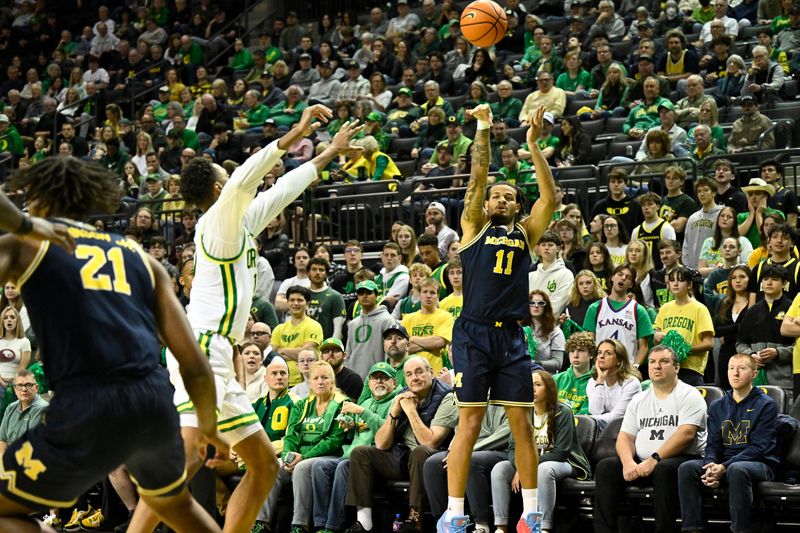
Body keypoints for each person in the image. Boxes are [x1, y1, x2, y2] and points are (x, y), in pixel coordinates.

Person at [131, 106, 364, 533]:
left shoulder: (239, 224)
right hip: (201, 350)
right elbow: (246, 180)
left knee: (263, 464)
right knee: (181, 463)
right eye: (229, 176)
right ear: (220, 187)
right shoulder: (217, 221)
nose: (237, 180)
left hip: (218, 353)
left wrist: (329, 150)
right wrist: (293, 134)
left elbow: (283, 191)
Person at [0, 157, 227, 533]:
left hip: (87, 405)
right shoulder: (141, 257)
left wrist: (22, 227)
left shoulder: (27, 243)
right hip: (153, 403)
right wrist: (207, 426)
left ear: (38, 198)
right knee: (176, 504)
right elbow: (193, 362)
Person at [439, 103, 556, 533]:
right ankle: (453, 514)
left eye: (510, 195)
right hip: (472, 334)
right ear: (487, 203)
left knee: (522, 424)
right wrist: (483, 128)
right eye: (497, 194)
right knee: (468, 423)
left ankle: (532, 513)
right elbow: (477, 175)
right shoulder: (473, 225)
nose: (502, 197)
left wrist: (532, 145)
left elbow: (550, 198)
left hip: (511, 338)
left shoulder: (526, 232)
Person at [593, 345, 707, 533]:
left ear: (676, 367)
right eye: (652, 362)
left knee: (664, 469)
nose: (656, 366)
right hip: (642, 463)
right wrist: (628, 462)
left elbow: (687, 434)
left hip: (680, 459)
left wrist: (654, 459)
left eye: (664, 362)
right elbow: (625, 436)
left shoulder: (689, 395)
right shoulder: (639, 399)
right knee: (606, 467)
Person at [344, 356, 457, 532]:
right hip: (402, 456)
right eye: (409, 374)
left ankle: (415, 518)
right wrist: (395, 411)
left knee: (420, 451)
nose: (415, 378)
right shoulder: (402, 395)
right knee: (361, 453)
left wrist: (411, 410)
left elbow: (431, 442)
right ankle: (364, 523)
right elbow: (381, 444)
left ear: (431, 373)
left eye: (419, 372)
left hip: (433, 459)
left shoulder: (447, 396)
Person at [677, 353, 779, 533]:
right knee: (687, 468)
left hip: (760, 463)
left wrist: (723, 467)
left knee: (737, 469)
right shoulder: (717, 405)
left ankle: (741, 529)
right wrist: (710, 465)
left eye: (742, 368)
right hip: (725, 463)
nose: (735, 373)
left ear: (754, 373)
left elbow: (759, 447)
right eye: (731, 368)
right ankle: (693, 528)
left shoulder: (767, 404)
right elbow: (713, 444)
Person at [491, 369, 591, 533]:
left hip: (566, 462)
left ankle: (544, 526)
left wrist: (525, 468)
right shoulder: (524, 412)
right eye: (530, 385)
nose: (533, 389)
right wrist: (520, 467)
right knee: (500, 468)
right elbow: (512, 447)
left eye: (538, 385)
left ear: (549, 388)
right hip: (531, 463)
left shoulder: (563, 412)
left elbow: (561, 452)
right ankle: (501, 526)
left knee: (543, 469)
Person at [311, 362, 398, 532]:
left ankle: (333, 526)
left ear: (393, 382)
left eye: (383, 378)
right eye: (374, 378)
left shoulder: (395, 401)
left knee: (343, 466)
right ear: (369, 383)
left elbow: (387, 430)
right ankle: (320, 524)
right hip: (351, 454)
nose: (379, 382)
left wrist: (362, 412)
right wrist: (349, 426)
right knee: (319, 467)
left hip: (375, 459)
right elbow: (356, 434)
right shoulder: (366, 402)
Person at [265, 361, 347, 533]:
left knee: (302, 467)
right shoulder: (302, 405)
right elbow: (291, 434)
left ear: (332, 381)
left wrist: (305, 456)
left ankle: (299, 525)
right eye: (315, 378)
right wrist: (288, 456)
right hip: (299, 456)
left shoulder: (341, 404)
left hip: (329, 456)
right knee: (271, 467)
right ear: (310, 382)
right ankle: (261, 522)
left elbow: (334, 440)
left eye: (325, 378)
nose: (320, 382)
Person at [424, 404, 510, 533]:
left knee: (470, 461)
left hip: (501, 450)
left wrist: (464, 453)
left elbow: (506, 433)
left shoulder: (510, 397)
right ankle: (445, 523)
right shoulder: (477, 397)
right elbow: (462, 427)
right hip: (468, 450)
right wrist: (453, 450)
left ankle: (481, 525)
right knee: (433, 463)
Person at [736, 264, 794, 394]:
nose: (769, 282)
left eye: (774, 279)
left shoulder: (792, 308)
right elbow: (740, 343)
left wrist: (778, 353)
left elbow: (798, 346)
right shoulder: (752, 311)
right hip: (754, 381)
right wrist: (751, 355)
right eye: (765, 279)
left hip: (785, 382)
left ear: (784, 283)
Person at [654, 267, 715, 386]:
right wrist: (656, 336)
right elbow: (656, 342)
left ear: (689, 284)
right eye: (672, 280)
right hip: (666, 367)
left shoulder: (700, 309)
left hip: (691, 370)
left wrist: (684, 349)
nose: (675, 283)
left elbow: (708, 343)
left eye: (680, 280)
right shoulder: (664, 308)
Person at [272, 286, 324, 386]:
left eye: (300, 300)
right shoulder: (279, 329)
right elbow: (273, 356)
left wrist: (282, 350)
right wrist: (296, 352)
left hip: (307, 381)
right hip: (282, 382)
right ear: (287, 302)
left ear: (307, 304)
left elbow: (306, 354)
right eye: (292, 300)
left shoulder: (314, 326)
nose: (295, 303)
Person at [587, 339, 642, 431]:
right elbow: (595, 411)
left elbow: (616, 417)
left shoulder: (631, 383)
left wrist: (588, 419)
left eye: (608, 353)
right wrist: (600, 381)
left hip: (626, 430)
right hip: (601, 430)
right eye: (599, 352)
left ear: (619, 360)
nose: (601, 356)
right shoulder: (593, 382)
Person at [346, 280, 397, 379]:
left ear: (376, 296)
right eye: (361, 293)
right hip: (355, 378)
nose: (365, 296)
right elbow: (348, 353)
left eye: (369, 293)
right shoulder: (353, 324)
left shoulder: (387, 320)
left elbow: (391, 353)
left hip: (378, 377)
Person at [711, 266, 752, 389]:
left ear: (750, 280)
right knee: (725, 390)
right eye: (734, 278)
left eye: (742, 277)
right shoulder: (724, 303)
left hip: (746, 353)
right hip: (725, 355)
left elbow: (750, 331)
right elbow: (716, 330)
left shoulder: (754, 303)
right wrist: (739, 327)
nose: (738, 280)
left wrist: (727, 337)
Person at [402, 278, 454, 373]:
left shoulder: (446, 317)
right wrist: (430, 344)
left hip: (437, 373)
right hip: (411, 373)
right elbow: (405, 347)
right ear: (419, 294)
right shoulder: (408, 319)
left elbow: (439, 342)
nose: (428, 296)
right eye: (425, 292)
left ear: (438, 296)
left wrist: (413, 339)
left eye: (432, 293)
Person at [0, 370, 47, 453]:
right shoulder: (10, 408)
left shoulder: (43, 409)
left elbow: (32, 445)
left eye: (28, 385)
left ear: (36, 388)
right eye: (20, 385)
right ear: (15, 389)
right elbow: (3, 440)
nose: (24, 389)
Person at [529, 232, 574, 316]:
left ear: (558, 248)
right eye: (543, 245)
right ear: (539, 249)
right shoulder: (531, 276)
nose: (546, 248)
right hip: (528, 326)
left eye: (550, 245)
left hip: (552, 325)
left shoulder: (566, 275)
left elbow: (558, 305)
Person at [683, 177, 722, 270]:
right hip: (692, 268)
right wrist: (686, 265)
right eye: (699, 191)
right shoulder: (693, 218)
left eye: (705, 190)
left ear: (714, 193)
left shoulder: (722, 214)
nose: (702, 194)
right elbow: (686, 244)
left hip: (713, 269)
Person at [553, 332, 596, 414]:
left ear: (591, 355)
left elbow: (586, 416)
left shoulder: (596, 382)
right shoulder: (556, 379)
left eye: (581, 350)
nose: (575, 355)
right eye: (572, 351)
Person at [523, 291, 566, 374]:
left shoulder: (556, 332)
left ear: (546, 306)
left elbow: (558, 363)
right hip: (523, 377)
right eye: (532, 302)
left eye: (540, 303)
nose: (536, 306)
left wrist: (534, 363)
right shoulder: (519, 329)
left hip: (546, 379)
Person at [306, 257, 346, 340]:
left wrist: (331, 346)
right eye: (314, 269)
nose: (317, 273)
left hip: (325, 347)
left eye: (321, 270)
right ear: (308, 273)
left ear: (326, 274)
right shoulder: (302, 294)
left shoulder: (335, 296)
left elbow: (338, 328)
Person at [319, 337, 364, 401]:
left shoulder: (353, 379)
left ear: (344, 355)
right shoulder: (318, 378)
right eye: (326, 351)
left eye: (335, 350)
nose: (330, 354)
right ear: (321, 357)